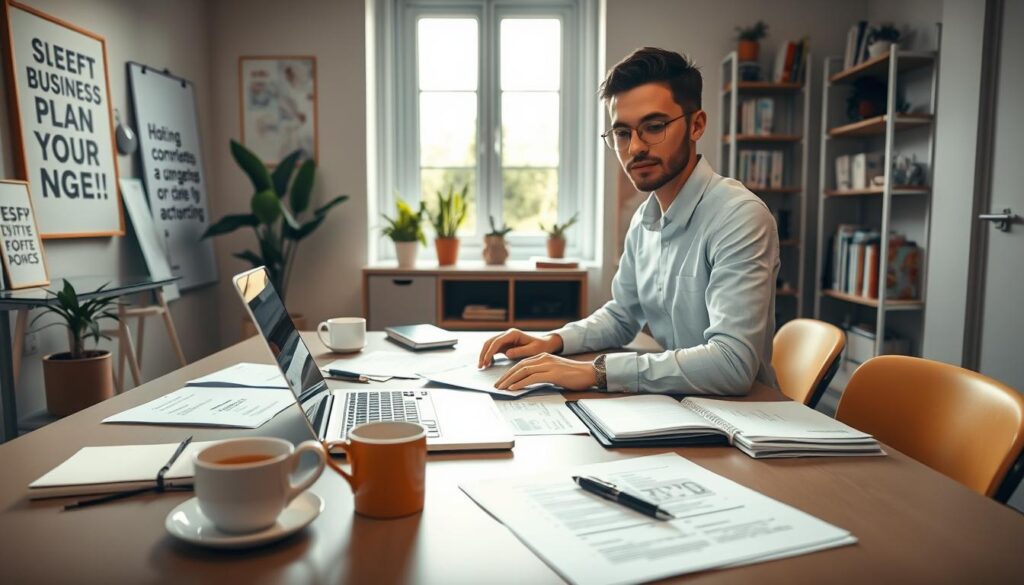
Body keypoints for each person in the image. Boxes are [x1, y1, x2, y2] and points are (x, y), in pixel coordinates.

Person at [479, 47, 779, 395]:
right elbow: (623, 315)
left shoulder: (739, 216)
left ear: (696, 125)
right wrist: (553, 341)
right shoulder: (644, 219)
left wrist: (596, 372)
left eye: (654, 127)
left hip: (742, 417)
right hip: (677, 404)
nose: (635, 147)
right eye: (622, 133)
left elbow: (732, 364)